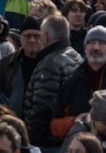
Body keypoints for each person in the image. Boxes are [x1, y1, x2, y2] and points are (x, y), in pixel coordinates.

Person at [24, 14, 84, 145]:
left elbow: (42, 107)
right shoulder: (77, 57)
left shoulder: (49, 63)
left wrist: (32, 138)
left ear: (45, 36)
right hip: (67, 136)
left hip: (47, 141)